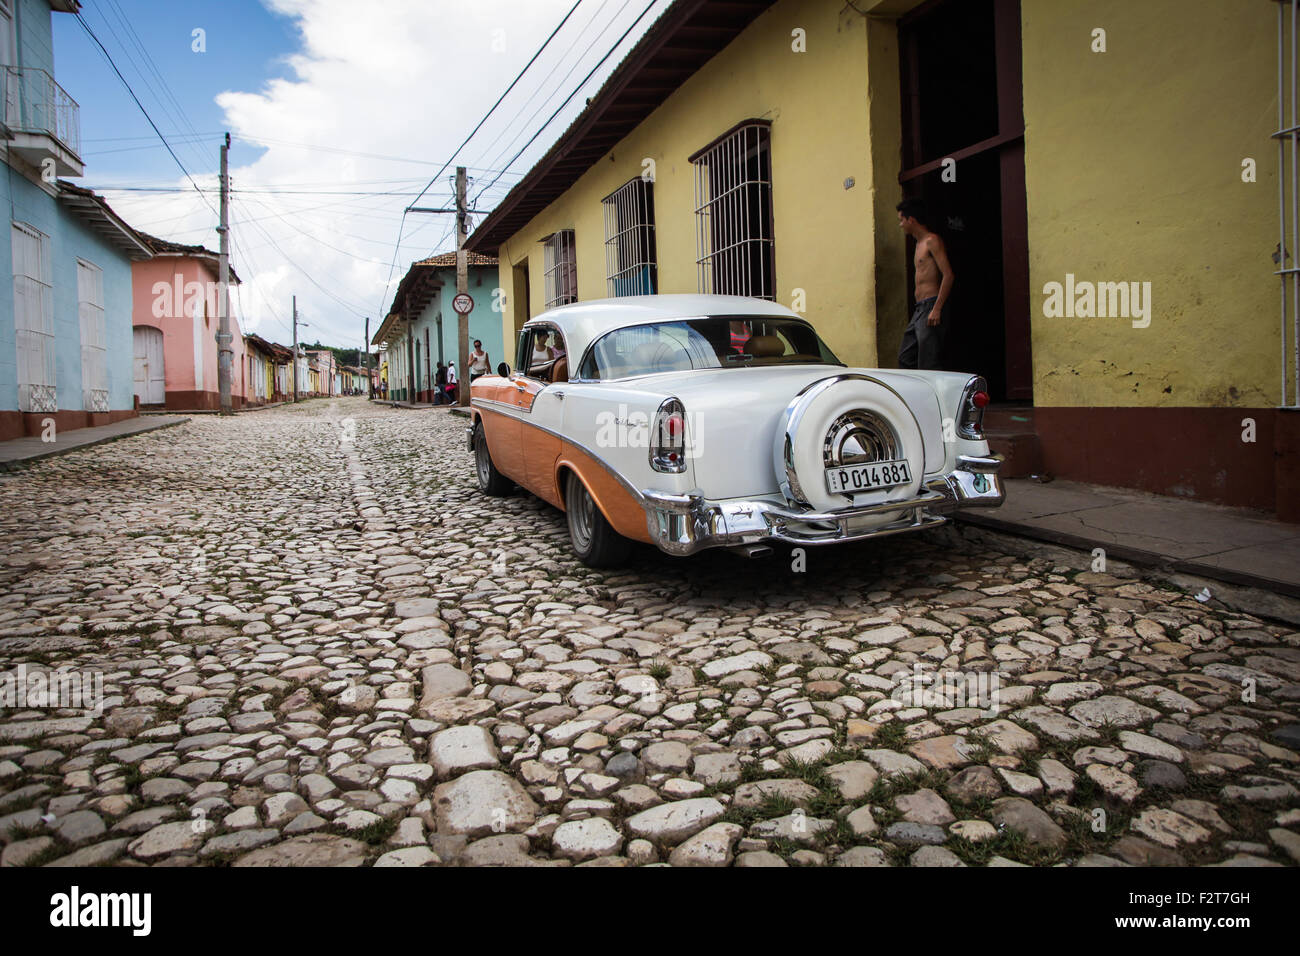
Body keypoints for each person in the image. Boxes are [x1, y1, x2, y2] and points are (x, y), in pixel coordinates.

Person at [896, 198, 954, 370]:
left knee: (929, 361)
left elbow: (948, 275)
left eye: (901, 220)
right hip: (920, 309)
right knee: (905, 357)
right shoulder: (918, 244)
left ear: (911, 220)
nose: (900, 225)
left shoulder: (932, 240)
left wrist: (937, 308)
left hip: (931, 305)